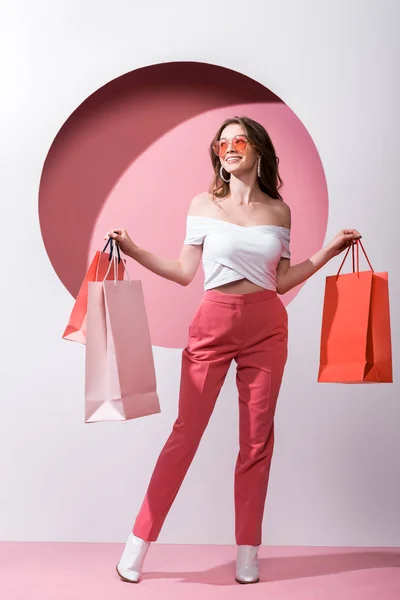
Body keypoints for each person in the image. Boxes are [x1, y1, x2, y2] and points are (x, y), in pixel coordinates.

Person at [105, 116, 361, 584]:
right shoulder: (204, 205)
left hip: (267, 325)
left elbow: (281, 280)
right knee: (186, 432)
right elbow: (185, 272)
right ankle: (138, 543)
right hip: (213, 322)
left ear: (258, 150)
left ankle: (248, 550)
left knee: (257, 441)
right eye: (222, 143)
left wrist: (327, 252)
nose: (230, 147)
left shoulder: (278, 212)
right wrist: (137, 250)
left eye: (239, 140)